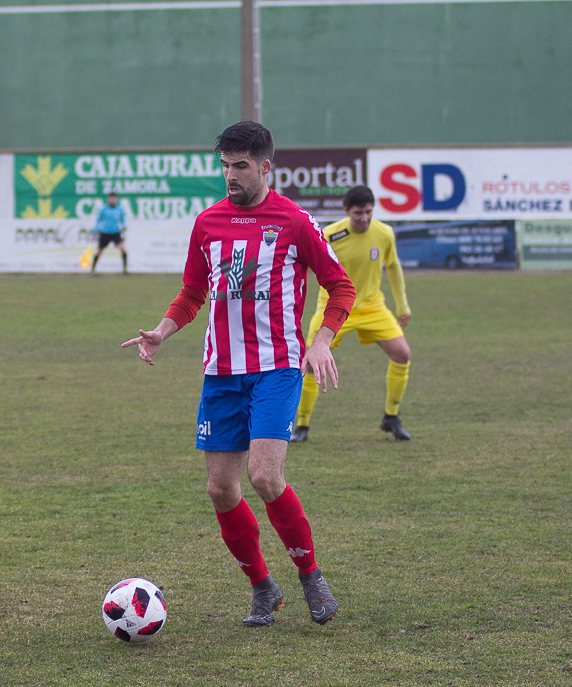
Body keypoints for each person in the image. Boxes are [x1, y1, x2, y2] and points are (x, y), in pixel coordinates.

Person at [122, 121, 356, 627]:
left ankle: (311, 576)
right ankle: (263, 590)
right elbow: (191, 293)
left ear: (266, 166)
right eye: (225, 165)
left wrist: (320, 341)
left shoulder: (295, 221)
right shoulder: (207, 223)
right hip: (221, 373)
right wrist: (163, 331)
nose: (231, 175)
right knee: (221, 491)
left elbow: (341, 288)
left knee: (265, 475)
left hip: (276, 368)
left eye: (241, 166)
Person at [292, 185, 412, 442]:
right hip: (333, 307)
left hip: (372, 307)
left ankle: (391, 417)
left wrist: (402, 305)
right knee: (310, 363)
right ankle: (302, 425)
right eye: (358, 213)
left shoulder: (385, 233)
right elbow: (308, 269)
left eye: (369, 212)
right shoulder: (329, 235)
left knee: (402, 354)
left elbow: (392, 265)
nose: (365, 218)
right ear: (347, 211)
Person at [91, 191, 128, 273]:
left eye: (113, 198)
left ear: (116, 199)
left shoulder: (119, 209)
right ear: (108, 199)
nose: (112, 200)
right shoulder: (103, 209)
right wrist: (95, 232)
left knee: (123, 249)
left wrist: (125, 225)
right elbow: (98, 221)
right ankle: (93, 269)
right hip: (105, 233)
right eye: (110, 198)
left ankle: (125, 269)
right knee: (99, 251)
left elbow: (123, 220)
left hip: (115, 233)